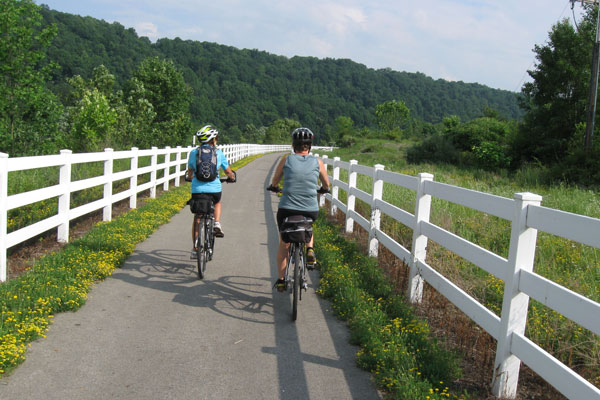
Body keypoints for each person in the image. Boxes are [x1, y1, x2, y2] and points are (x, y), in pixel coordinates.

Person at [267, 127, 330, 292]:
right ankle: (309, 249)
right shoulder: (318, 162)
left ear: (294, 144)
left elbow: (275, 181)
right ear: (310, 145)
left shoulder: (287, 160)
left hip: (287, 208)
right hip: (310, 209)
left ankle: (281, 280)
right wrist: (323, 190)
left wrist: (274, 187)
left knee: (284, 243)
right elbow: (326, 184)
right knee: (308, 224)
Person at [186, 125, 236, 259]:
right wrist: (232, 177)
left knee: (197, 217)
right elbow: (227, 171)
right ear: (213, 139)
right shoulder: (218, 153)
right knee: (218, 202)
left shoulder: (194, 153)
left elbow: (190, 170)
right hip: (214, 189)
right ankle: (217, 222)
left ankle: (196, 248)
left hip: (197, 190)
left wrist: (190, 177)